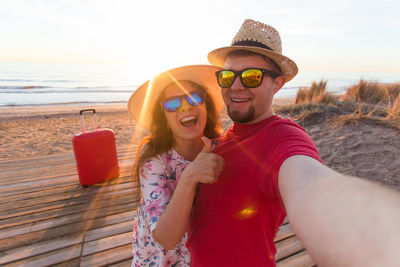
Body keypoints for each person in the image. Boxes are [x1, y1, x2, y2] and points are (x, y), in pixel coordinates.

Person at [187, 19, 400, 267]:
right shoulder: (227, 137)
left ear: (278, 84)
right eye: (227, 75)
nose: (235, 86)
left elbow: (311, 184)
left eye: (252, 76)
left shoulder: (282, 138)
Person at [127, 65, 225, 266]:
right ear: (163, 116)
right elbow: (167, 238)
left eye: (194, 98)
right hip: (162, 260)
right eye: (172, 103)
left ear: (206, 105)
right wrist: (191, 175)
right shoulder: (154, 159)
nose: (185, 107)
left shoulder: (222, 148)